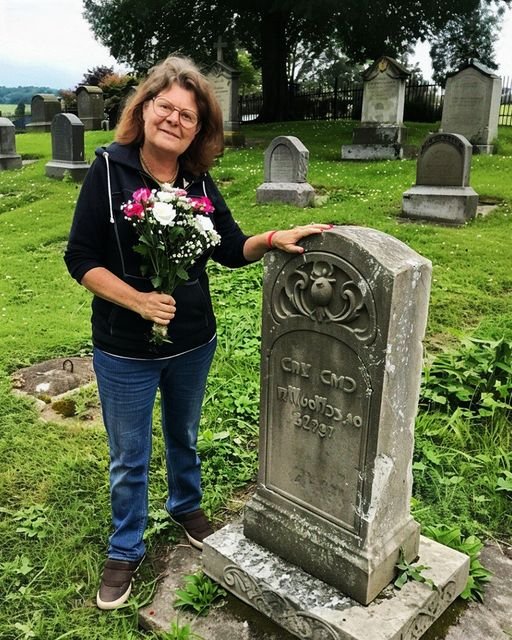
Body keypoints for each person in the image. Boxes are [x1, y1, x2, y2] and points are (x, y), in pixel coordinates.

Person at [64, 55, 330, 611]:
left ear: (199, 129)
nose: (176, 120)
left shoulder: (196, 179)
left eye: (190, 115)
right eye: (167, 107)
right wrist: (136, 299)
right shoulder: (109, 171)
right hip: (124, 348)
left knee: (183, 436)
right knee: (129, 457)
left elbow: (229, 247)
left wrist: (274, 237)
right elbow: (80, 258)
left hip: (193, 341)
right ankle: (126, 545)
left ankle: (186, 506)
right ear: (145, 109)